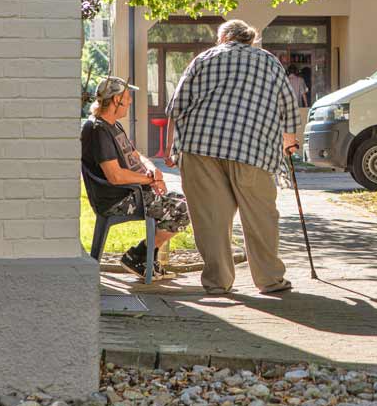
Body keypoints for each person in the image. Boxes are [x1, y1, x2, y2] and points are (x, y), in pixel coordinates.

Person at [165, 19, 301, 296]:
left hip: (200, 145)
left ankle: (218, 282)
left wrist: (171, 148)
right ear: (249, 39)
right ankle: (270, 280)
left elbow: (177, 106)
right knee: (261, 216)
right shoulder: (268, 61)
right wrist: (289, 141)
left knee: (211, 218)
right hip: (253, 147)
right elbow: (287, 104)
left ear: (224, 38)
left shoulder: (203, 59)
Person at [81, 77, 190, 281]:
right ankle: (139, 256)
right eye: (127, 97)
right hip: (118, 199)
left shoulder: (113, 126)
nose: (130, 102)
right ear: (115, 100)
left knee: (181, 201)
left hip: (132, 192)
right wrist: (149, 181)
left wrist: (152, 170)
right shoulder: (98, 130)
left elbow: (135, 155)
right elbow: (115, 176)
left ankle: (145, 258)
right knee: (184, 209)